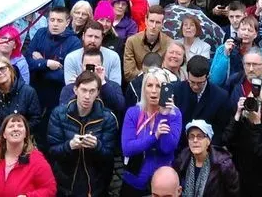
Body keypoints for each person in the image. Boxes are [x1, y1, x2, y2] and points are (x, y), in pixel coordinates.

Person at [47, 71, 120, 197]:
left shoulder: (108, 118)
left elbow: (110, 156)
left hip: (95, 184)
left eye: (92, 91)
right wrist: (69, 145)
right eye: (84, 90)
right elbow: (52, 151)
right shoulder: (58, 114)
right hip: (65, 182)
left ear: (97, 93)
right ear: (75, 90)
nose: (87, 96)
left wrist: (97, 146)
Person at [121, 67, 183, 196]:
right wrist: (154, 137)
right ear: (144, 88)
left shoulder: (174, 114)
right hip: (135, 181)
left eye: (159, 86)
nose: (154, 91)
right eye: (149, 85)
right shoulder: (133, 112)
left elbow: (167, 148)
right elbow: (127, 148)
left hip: (162, 186)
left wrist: (163, 115)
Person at [0, 113, 57, 197]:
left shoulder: (36, 159)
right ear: (4, 134)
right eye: (11, 126)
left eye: (20, 126)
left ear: (26, 134)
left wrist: (29, 196)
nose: (15, 128)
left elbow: (50, 189)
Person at [170, 119, 240, 197]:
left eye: (200, 136)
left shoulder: (224, 165)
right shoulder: (181, 160)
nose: (195, 140)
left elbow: (233, 193)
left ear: (208, 141)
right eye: (191, 136)